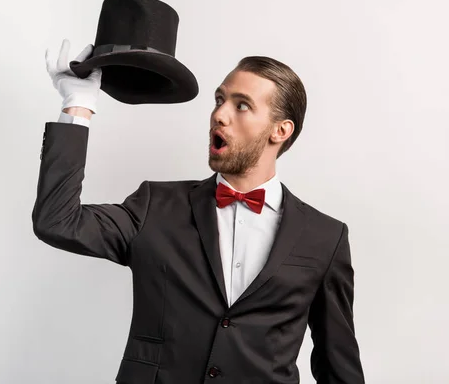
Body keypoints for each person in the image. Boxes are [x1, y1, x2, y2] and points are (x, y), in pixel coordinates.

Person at [32, 39, 365, 384]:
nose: (219, 114)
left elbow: (337, 366)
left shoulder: (325, 238)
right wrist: (78, 105)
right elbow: (57, 221)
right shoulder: (154, 206)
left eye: (242, 106)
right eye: (220, 99)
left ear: (280, 131)